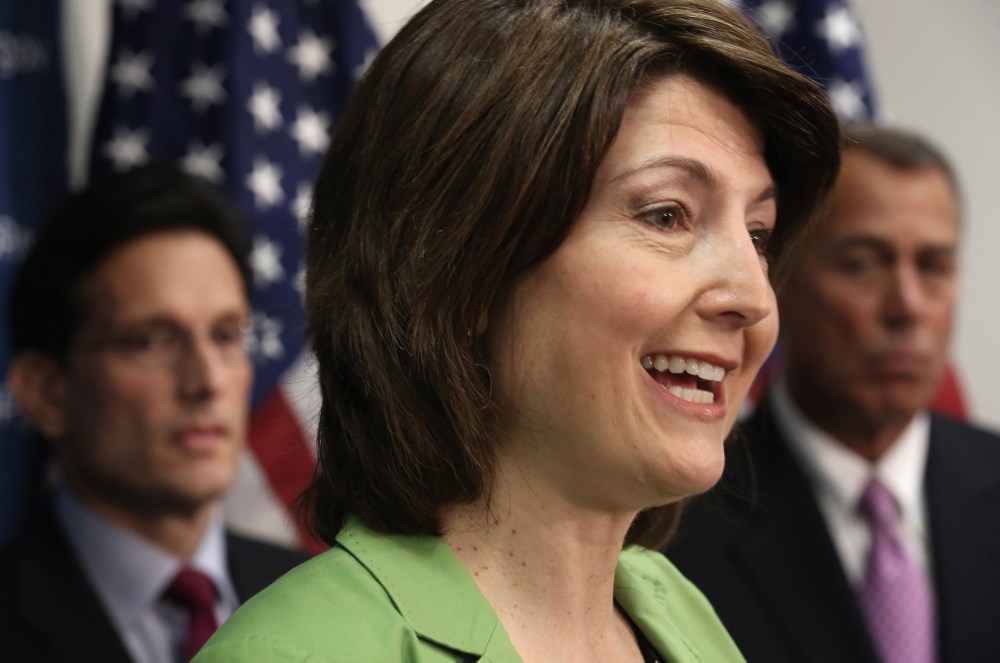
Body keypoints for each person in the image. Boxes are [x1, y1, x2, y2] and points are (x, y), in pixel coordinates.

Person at [195, 0, 840, 661]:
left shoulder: (677, 612)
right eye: (667, 214)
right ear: (461, 269)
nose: (754, 299)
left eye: (757, 233)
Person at [666, 122, 1000, 663]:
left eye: (933, 266)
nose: (908, 307)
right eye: (862, 264)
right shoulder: (676, 520)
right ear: (782, 277)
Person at [0, 164, 308, 663]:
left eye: (226, 335)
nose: (207, 382)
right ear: (46, 393)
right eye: (151, 341)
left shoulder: (314, 598)